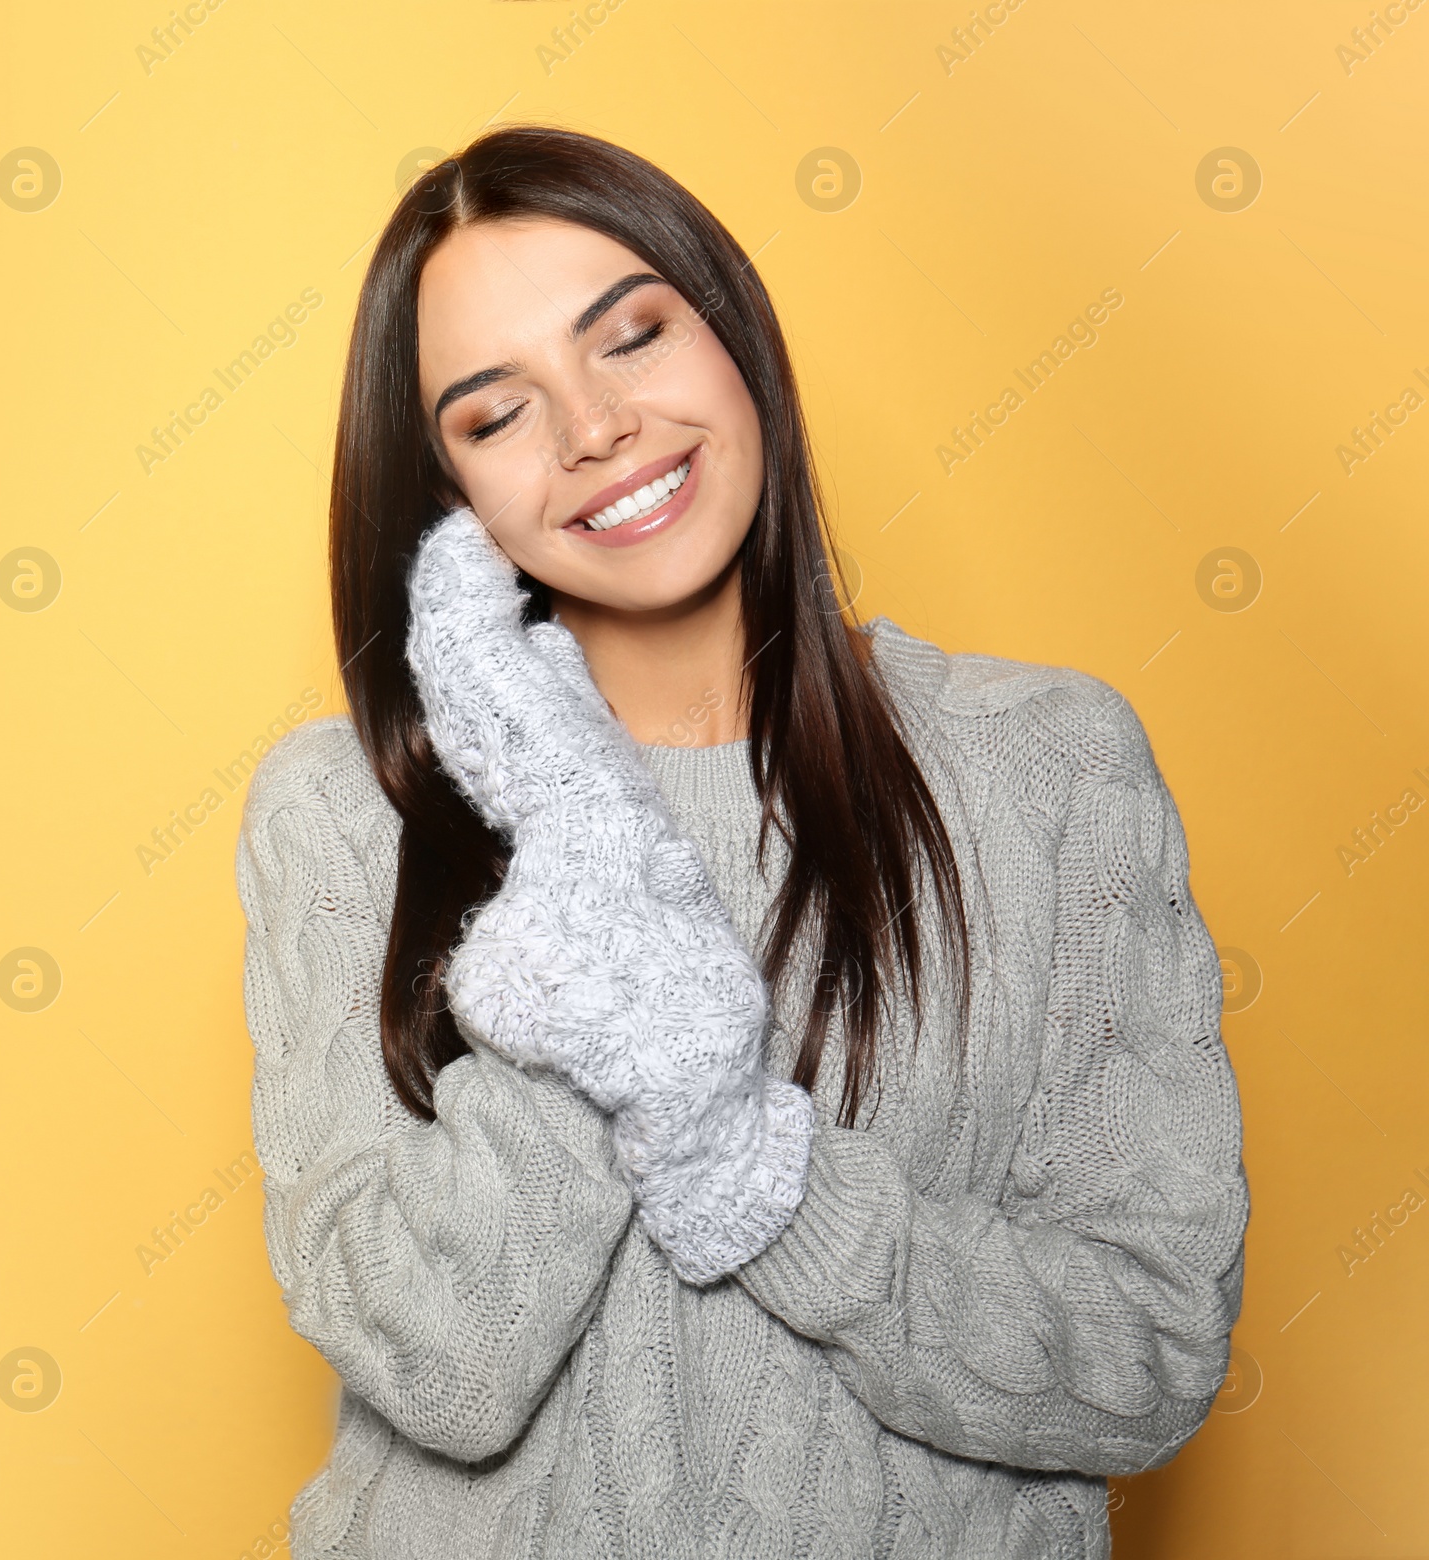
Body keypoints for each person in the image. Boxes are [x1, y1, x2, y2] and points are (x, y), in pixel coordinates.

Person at [236, 125, 1248, 1560]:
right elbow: (435, 1368)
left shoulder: (1048, 771)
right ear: (452, 499)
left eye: (631, 338)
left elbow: (1145, 1357)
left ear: (735, 335)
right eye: (495, 413)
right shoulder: (347, 812)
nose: (594, 430)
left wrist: (762, 1175)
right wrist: (584, 884)